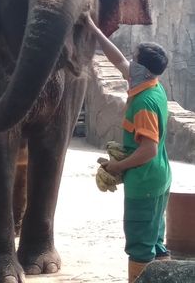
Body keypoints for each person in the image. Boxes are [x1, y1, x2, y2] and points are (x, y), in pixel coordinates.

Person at [88, 18, 172, 283]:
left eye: (133, 58)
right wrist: (92, 28)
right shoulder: (151, 85)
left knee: (139, 244)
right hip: (158, 178)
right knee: (155, 240)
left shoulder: (145, 102)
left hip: (144, 181)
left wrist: (117, 167)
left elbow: (148, 149)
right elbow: (117, 61)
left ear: (142, 69)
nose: (129, 61)